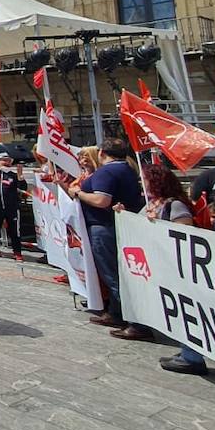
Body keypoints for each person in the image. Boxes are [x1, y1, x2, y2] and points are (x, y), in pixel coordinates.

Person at [68, 138, 145, 331]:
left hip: (103, 226)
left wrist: (78, 193)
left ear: (101, 153)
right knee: (114, 273)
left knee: (112, 275)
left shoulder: (107, 171)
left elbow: (102, 200)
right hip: (116, 225)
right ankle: (116, 312)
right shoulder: (128, 169)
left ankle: (136, 322)